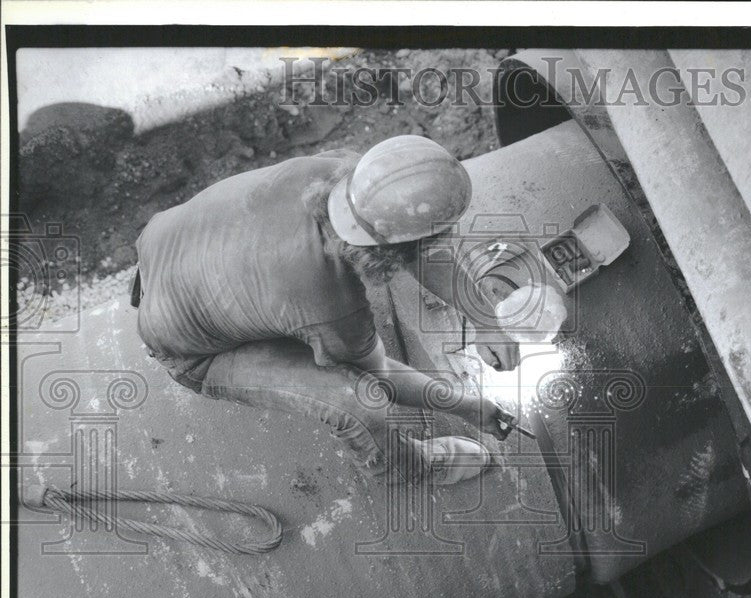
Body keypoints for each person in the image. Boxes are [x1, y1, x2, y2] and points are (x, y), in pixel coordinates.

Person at [132, 135, 521, 485]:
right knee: (361, 401)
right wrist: (469, 407)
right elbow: (378, 377)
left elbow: (419, 249)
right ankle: (408, 467)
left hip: (160, 247)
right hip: (190, 352)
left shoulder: (341, 173)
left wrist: (487, 321)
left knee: (288, 312)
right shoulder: (331, 306)